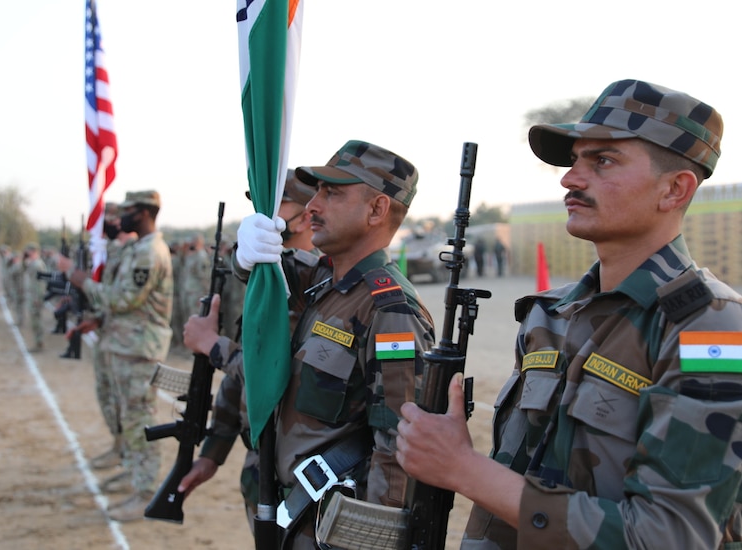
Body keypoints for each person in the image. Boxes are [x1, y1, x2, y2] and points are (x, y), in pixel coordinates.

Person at [396, 79, 742, 549]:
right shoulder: (549, 316)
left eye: (602, 161)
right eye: (575, 160)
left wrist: (463, 468)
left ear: (674, 190)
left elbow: (670, 536)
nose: (570, 179)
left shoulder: (710, 326)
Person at [210, 141, 435, 548]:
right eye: (316, 192)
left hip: (334, 531)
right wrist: (244, 257)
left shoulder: (390, 312)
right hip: (294, 517)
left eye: (332, 193)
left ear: (377, 210)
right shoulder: (324, 283)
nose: (312, 205)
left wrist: (371, 538)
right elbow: (264, 271)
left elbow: (397, 447)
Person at [179, 169, 319, 531]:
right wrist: (213, 452)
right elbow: (242, 379)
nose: (260, 215)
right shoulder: (269, 276)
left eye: (273, 206)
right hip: (260, 461)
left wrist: (212, 346)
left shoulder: (318, 282)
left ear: (305, 216)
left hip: (298, 470)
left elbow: (274, 372)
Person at [62, 190, 174, 522]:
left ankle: (146, 494)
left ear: (143, 213)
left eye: (127, 211)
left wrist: (80, 279)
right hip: (126, 344)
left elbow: (125, 300)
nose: (119, 218)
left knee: (142, 420)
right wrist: (98, 319)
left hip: (139, 349)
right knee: (130, 417)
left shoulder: (149, 252)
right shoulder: (137, 248)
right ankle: (133, 475)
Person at [23, 242, 48, 351]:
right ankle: (38, 342)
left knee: (36, 320)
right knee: (34, 320)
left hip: (35, 297)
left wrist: (38, 298)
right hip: (33, 295)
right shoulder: (33, 263)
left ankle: (39, 343)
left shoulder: (37, 265)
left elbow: (41, 283)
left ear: (33, 251)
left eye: (28, 251)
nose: (27, 253)